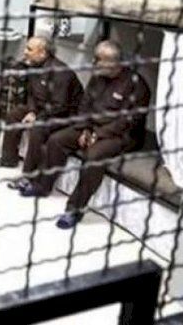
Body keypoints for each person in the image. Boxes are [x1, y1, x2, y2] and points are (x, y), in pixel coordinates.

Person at [39, 40, 151, 229]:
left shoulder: (137, 86)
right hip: (92, 128)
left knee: (94, 156)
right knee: (57, 140)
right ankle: (44, 185)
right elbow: (85, 105)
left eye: (98, 59)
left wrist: (98, 134)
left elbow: (127, 121)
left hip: (122, 135)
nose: (93, 62)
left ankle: (74, 209)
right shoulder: (98, 76)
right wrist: (85, 128)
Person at [0, 37, 83, 189]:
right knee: (14, 115)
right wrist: (32, 110)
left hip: (63, 115)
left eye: (29, 49)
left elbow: (60, 106)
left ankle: (29, 177)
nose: (25, 52)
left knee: (38, 128)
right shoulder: (34, 66)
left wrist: (37, 117)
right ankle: (8, 159)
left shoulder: (60, 73)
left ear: (43, 53)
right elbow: (31, 94)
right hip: (42, 108)